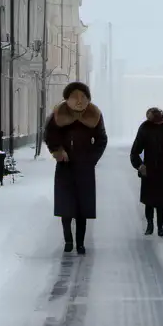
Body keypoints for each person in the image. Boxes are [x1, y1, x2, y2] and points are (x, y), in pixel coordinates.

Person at [43, 81, 108, 254]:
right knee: (66, 206)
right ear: (67, 98)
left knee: (82, 207)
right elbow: (49, 135)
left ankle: (80, 242)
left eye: (83, 97)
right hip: (65, 166)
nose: (79, 101)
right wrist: (57, 151)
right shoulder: (60, 113)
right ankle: (68, 241)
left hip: (85, 168)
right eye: (75, 97)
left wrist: (91, 158)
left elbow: (101, 139)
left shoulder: (94, 114)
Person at [130, 107, 163, 236]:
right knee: (149, 200)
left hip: (162, 169)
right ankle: (150, 225)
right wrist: (140, 166)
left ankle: (160, 227)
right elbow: (135, 151)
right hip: (148, 169)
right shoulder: (145, 128)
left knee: (161, 200)